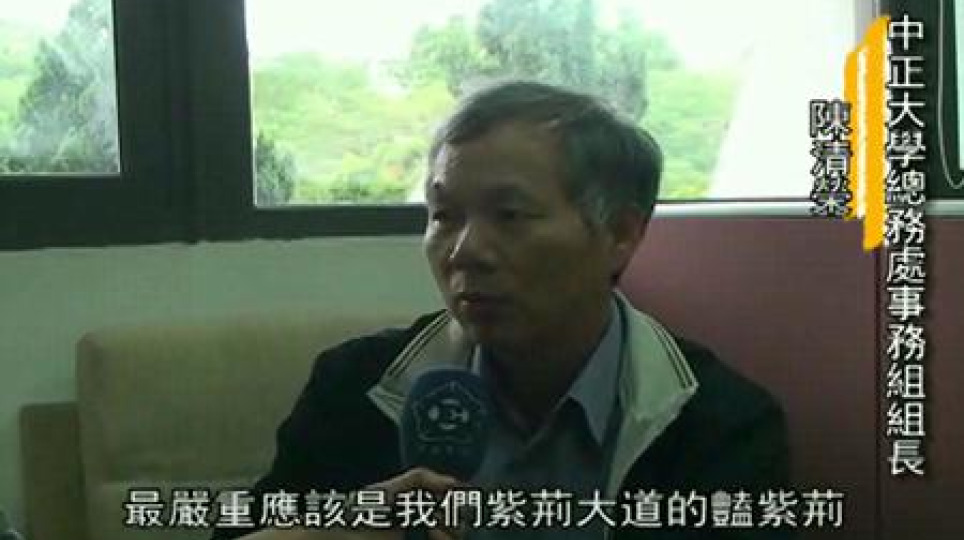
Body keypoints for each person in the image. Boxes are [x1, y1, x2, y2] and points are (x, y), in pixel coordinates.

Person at [214, 80, 791, 540]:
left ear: (620, 233)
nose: (465, 251)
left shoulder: (720, 426)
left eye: (510, 216)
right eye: (444, 216)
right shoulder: (355, 386)